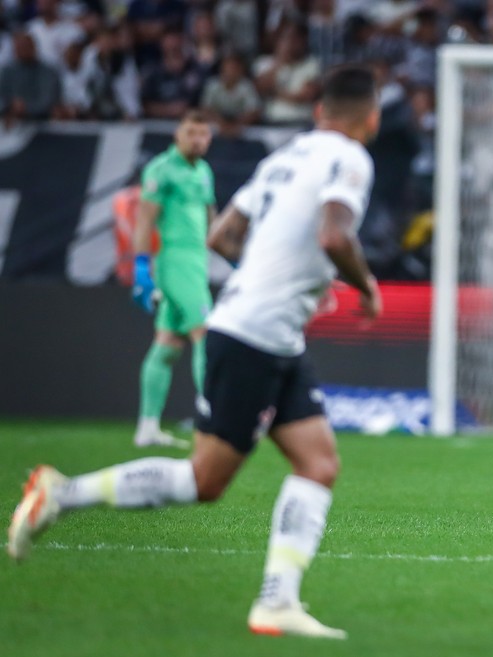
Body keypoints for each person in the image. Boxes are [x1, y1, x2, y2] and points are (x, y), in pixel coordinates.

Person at [7, 65, 383, 640]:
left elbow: (223, 238)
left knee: (318, 462)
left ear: (318, 111)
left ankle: (277, 602)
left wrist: (271, 279)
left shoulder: (286, 156)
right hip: (254, 334)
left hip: (271, 332)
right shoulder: (352, 159)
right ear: (371, 117)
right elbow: (335, 236)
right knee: (203, 481)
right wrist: (366, 287)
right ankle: (62, 492)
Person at [131, 110, 216, 448]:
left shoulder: (204, 170)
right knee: (205, 333)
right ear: (177, 135)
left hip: (198, 260)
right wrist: (141, 269)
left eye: (203, 134)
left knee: (167, 345)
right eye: (191, 133)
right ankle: (213, 416)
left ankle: (147, 427)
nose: (197, 139)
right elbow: (144, 222)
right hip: (176, 259)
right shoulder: (161, 170)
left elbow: (213, 221)